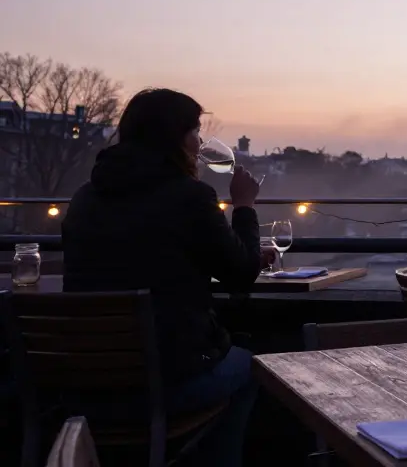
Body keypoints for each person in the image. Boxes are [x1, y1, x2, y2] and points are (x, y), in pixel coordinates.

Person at [61, 88, 267, 467]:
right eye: (196, 131)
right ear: (176, 137)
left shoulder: (84, 197)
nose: (201, 142)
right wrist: (244, 206)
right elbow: (240, 275)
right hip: (162, 387)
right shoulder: (190, 196)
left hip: (81, 386)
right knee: (250, 366)